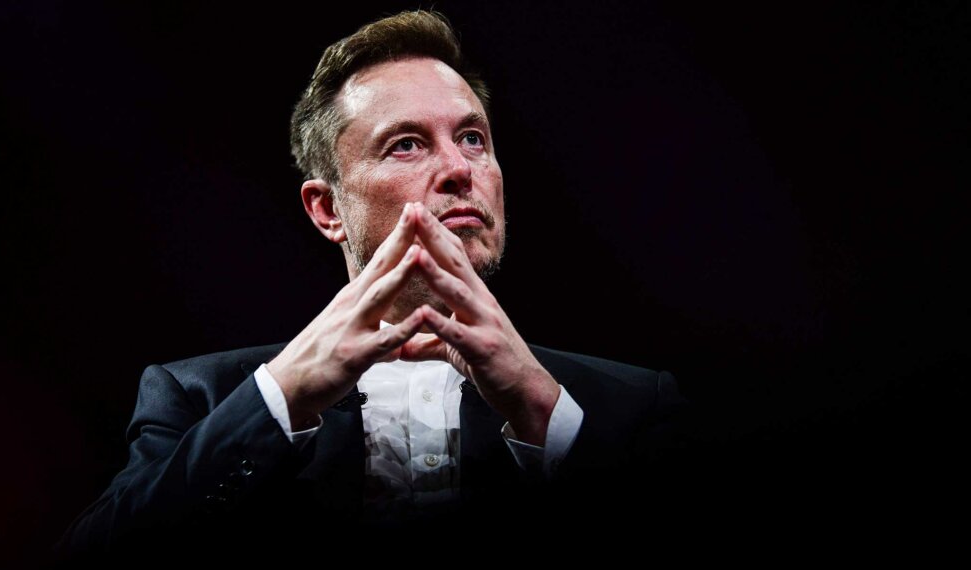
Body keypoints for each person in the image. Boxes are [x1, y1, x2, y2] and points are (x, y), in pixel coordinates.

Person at [56, 10, 688, 562]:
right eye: (407, 145)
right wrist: (280, 396)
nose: (458, 170)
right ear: (327, 209)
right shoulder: (196, 397)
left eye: (473, 138)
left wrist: (543, 411)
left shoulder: (635, 406)